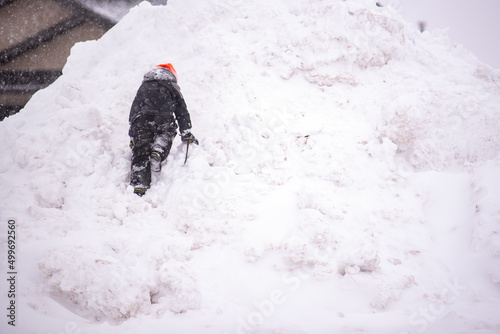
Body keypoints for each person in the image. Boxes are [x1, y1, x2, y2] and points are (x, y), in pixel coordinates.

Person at [128, 63, 198, 196]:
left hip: (141, 120)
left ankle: (139, 185)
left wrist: (133, 136)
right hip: (163, 117)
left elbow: (134, 109)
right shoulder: (172, 86)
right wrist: (186, 132)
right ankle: (158, 150)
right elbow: (181, 110)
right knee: (167, 131)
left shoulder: (144, 86)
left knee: (141, 149)